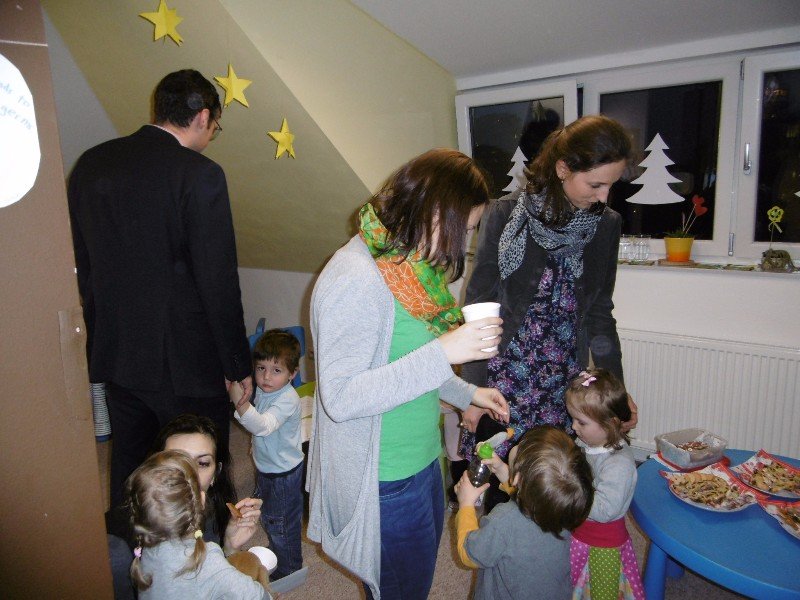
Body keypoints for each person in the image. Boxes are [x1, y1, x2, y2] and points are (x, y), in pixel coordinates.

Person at [306, 148, 510, 600]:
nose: (464, 242)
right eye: (464, 228)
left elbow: (406, 363)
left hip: (422, 458)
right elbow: (340, 398)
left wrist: (467, 392)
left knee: (413, 584)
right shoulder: (355, 276)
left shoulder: (411, 270)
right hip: (383, 478)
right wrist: (445, 352)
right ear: (434, 211)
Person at [67, 69, 252, 507]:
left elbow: (86, 266)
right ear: (203, 117)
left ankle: (125, 544)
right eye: (216, 126)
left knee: (131, 466)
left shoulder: (91, 164)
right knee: (199, 470)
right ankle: (209, 544)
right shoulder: (200, 173)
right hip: (186, 362)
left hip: (118, 351)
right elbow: (218, 280)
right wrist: (236, 362)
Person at [459, 114, 639, 512]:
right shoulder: (505, 214)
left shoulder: (606, 225)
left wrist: (616, 395)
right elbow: (479, 304)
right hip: (504, 373)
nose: (604, 197)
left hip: (562, 379)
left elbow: (600, 313)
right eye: (596, 184)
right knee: (498, 479)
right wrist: (472, 392)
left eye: (611, 185)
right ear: (562, 168)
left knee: (549, 483)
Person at [106, 414, 263, 599]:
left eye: (202, 463)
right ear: (154, 469)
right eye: (176, 462)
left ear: (215, 474)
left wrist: (230, 547)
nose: (190, 476)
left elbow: (206, 581)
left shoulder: (209, 510)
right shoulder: (117, 551)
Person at [454, 425, 594, 600]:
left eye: (521, 446)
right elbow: (534, 494)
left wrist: (466, 505)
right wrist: (501, 469)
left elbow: (470, 554)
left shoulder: (504, 520)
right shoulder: (562, 506)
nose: (518, 444)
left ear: (518, 478)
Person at [127, 450, 269, 599]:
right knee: (253, 563)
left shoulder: (146, 551)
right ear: (201, 499)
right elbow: (256, 595)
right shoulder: (208, 560)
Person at [229, 329, 304, 581]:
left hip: (282, 474)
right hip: (267, 466)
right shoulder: (265, 390)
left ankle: (289, 568)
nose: (266, 377)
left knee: (280, 522)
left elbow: (263, 426)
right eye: (261, 368)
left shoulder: (288, 398)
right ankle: (279, 550)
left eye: (276, 370)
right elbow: (257, 425)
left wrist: (240, 404)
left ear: (292, 374)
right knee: (272, 516)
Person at [566, 369, 645, 600]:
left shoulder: (618, 464)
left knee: (601, 592)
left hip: (602, 546)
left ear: (610, 423)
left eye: (581, 422)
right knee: (576, 584)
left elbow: (605, 509)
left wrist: (567, 495)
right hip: (580, 533)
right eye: (573, 419)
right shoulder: (586, 442)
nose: (573, 427)